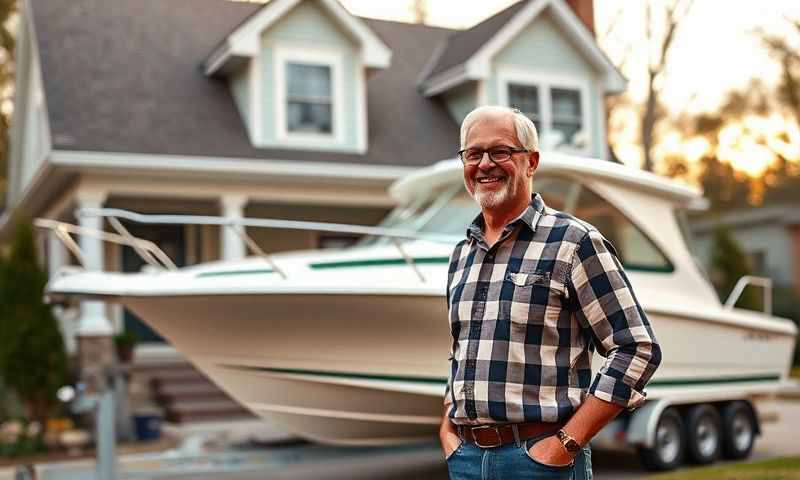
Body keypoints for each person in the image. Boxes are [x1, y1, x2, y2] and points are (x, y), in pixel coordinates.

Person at [440, 106, 662, 479]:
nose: (484, 164)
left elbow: (636, 348)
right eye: (473, 154)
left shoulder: (574, 242)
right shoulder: (463, 253)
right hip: (466, 461)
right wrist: (447, 428)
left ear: (531, 162)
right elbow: (460, 350)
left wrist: (567, 443)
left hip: (542, 462)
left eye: (500, 152)